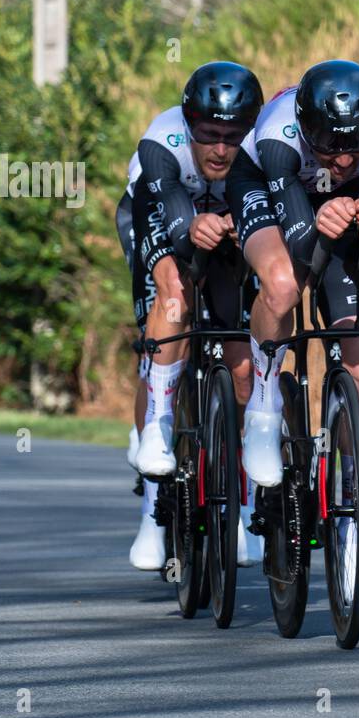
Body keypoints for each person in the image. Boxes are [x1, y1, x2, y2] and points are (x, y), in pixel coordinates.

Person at [226, 60, 359, 607]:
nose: (347, 159)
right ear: (307, 131)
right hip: (266, 191)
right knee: (283, 288)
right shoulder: (278, 137)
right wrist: (328, 208)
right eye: (330, 148)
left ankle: (355, 528)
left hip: (339, 213)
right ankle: (264, 396)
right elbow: (305, 247)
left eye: (357, 146)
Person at [118, 61, 268, 571]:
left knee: (242, 358)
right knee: (173, 300)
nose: (221, 149)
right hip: (159, 216)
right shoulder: (161, 142)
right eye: (208, 135)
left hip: (225, 233)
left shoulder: (262, 151)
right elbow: (172, 224)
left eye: (233, 136)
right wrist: (193, 231)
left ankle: (242, 500)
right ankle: (152, 478)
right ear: (188, 125)